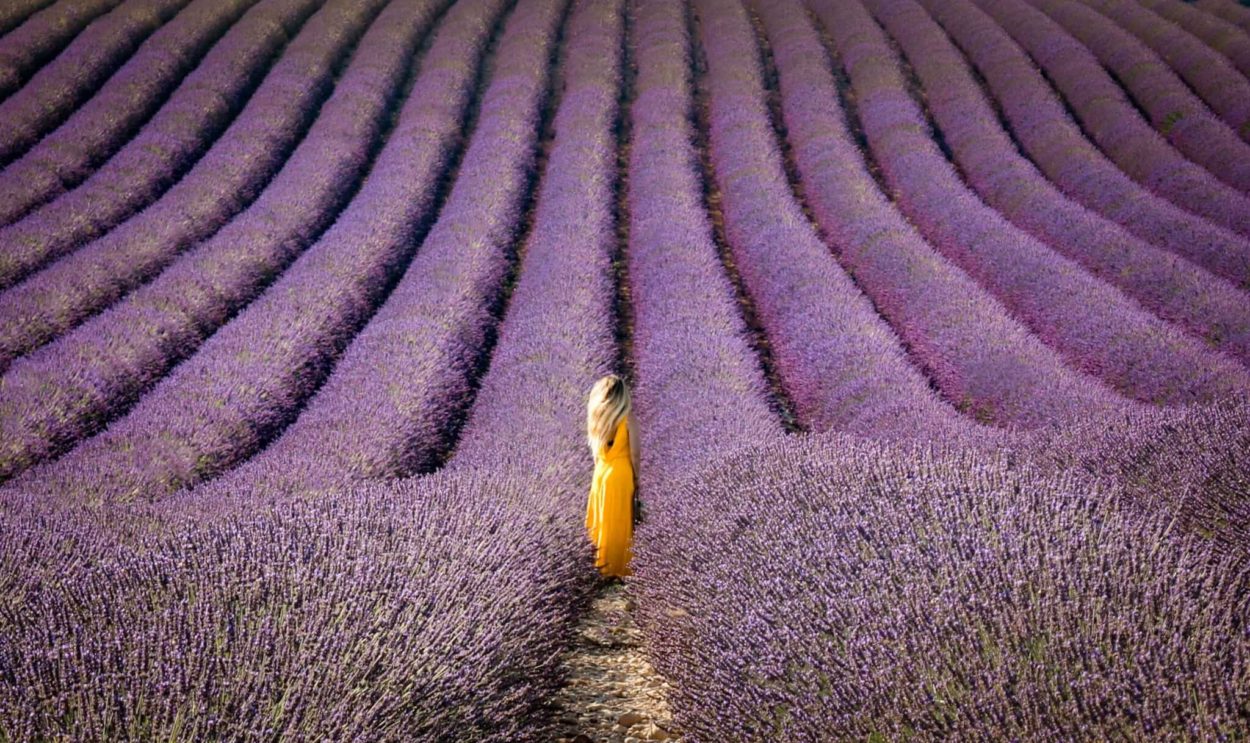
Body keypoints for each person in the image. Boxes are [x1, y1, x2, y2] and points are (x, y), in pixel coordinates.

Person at [584, 374, 639, 578]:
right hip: (621, 474)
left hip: (601, 475)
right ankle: (620, 569)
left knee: (603, 520)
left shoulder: (597, 419)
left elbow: (596, 454)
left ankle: (602, 569)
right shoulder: (628, 419)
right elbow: (635, 453)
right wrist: (637, 478)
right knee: (621, 522)